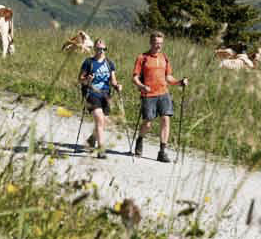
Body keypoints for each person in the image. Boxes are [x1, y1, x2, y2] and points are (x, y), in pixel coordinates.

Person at [131, 32, 187, 163]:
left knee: (166, 119)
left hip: (163, 93)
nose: (158, 46)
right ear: (151, 43)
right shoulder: (142, 57)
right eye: (156, 43)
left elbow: (168, 77)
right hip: (148, 94)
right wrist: (141, 86)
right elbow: (134, 77)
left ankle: (162, 152)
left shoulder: (164, 58)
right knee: (148, 123)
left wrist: (179, 82)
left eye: (160, 44)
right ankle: (140, 139)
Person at [78, 39, 122, 157]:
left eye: (103, 49)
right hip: (91, 93)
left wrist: (117, 86)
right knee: (99, 117)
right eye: (98, 49)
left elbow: (113, 80)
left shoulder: (109, 63)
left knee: (103, 122)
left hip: (105, 95)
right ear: (94, 49)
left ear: (105, 49)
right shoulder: (88, 62)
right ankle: (101, 149)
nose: (100, 51)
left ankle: (92, 138)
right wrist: (88, 80)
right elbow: (80, 79)